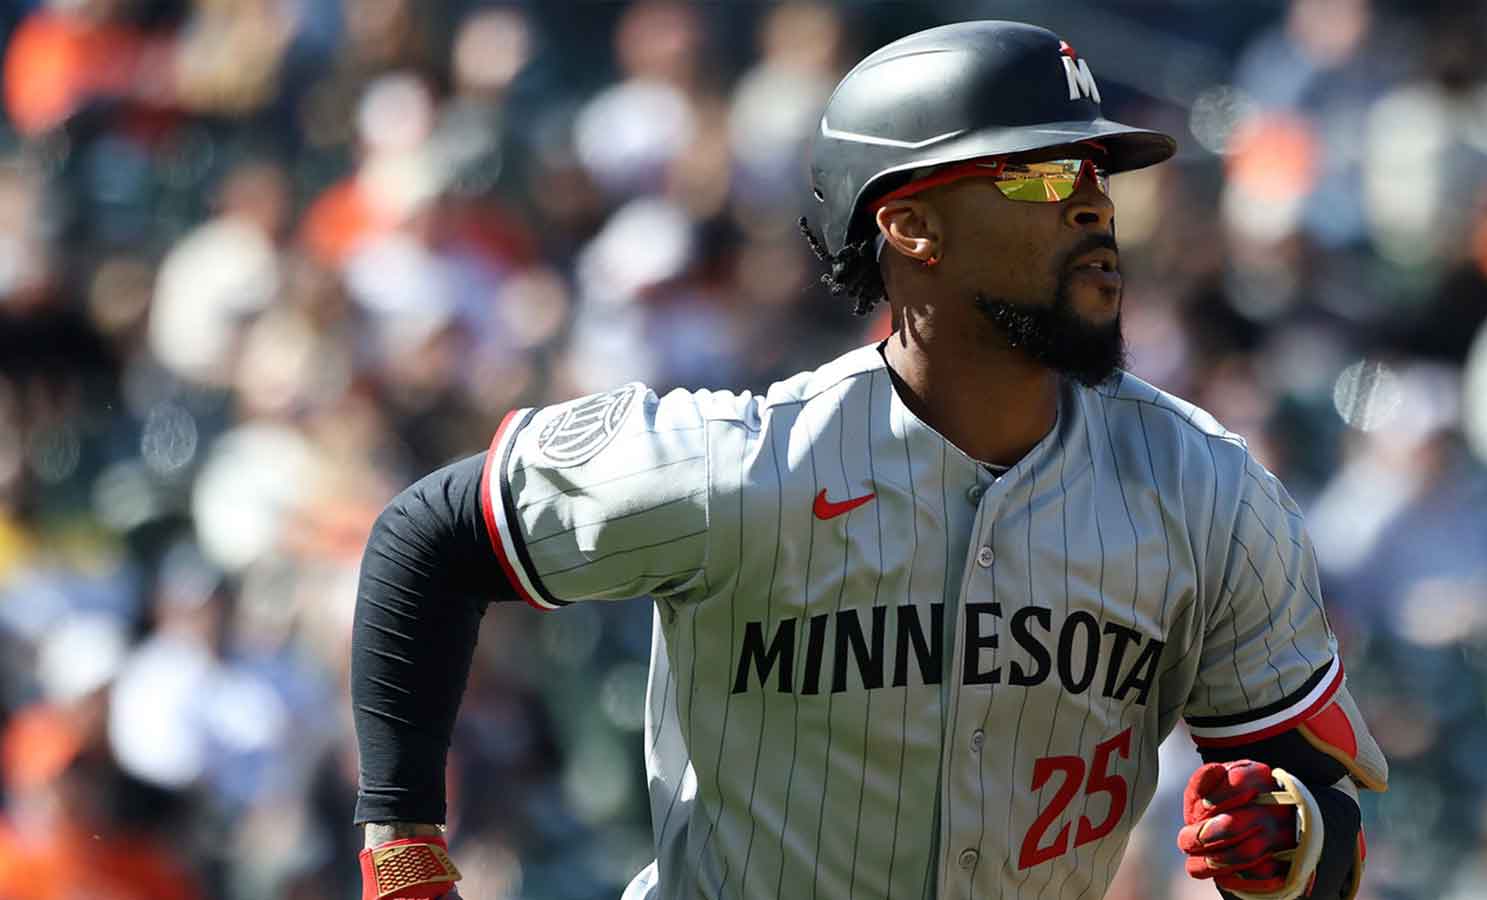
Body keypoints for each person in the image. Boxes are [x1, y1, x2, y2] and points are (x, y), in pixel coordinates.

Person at [349, 20, 1388, 900]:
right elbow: (428, 534)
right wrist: (403, 843)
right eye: (1039, 170)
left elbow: (1315, 807)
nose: (1090, 202)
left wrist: (1290, 834)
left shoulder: (1205, 485)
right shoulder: (740, 462)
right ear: (910, 224)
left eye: (1096, 170)